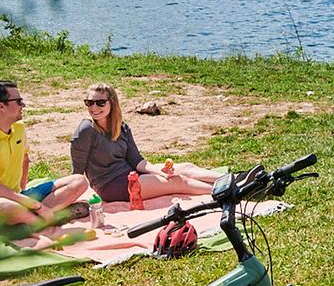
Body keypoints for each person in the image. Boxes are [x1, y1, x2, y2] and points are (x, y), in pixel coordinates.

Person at [0, 80, 90, 238]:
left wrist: (23, 193)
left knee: (78, 181)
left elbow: (24, 160)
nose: (23, 105)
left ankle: (29, 222)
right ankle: (44, 219)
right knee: (4, 205)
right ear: (1, 106)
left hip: (15, 198)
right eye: (18, 101)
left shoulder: (18, 128)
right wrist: (37, 206)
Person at [70, 82, 222, 203]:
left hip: (131, 173)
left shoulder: (121, 127)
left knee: (186, 168)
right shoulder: (86, 130)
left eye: (100, 103)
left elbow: (136, 160)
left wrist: (158, 171)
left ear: (112, 103)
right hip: (110, 185)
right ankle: (226, 191)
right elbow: (76, 174)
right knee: (177, 181)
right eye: (89, 103)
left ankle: (235, 179)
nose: (94, 108)